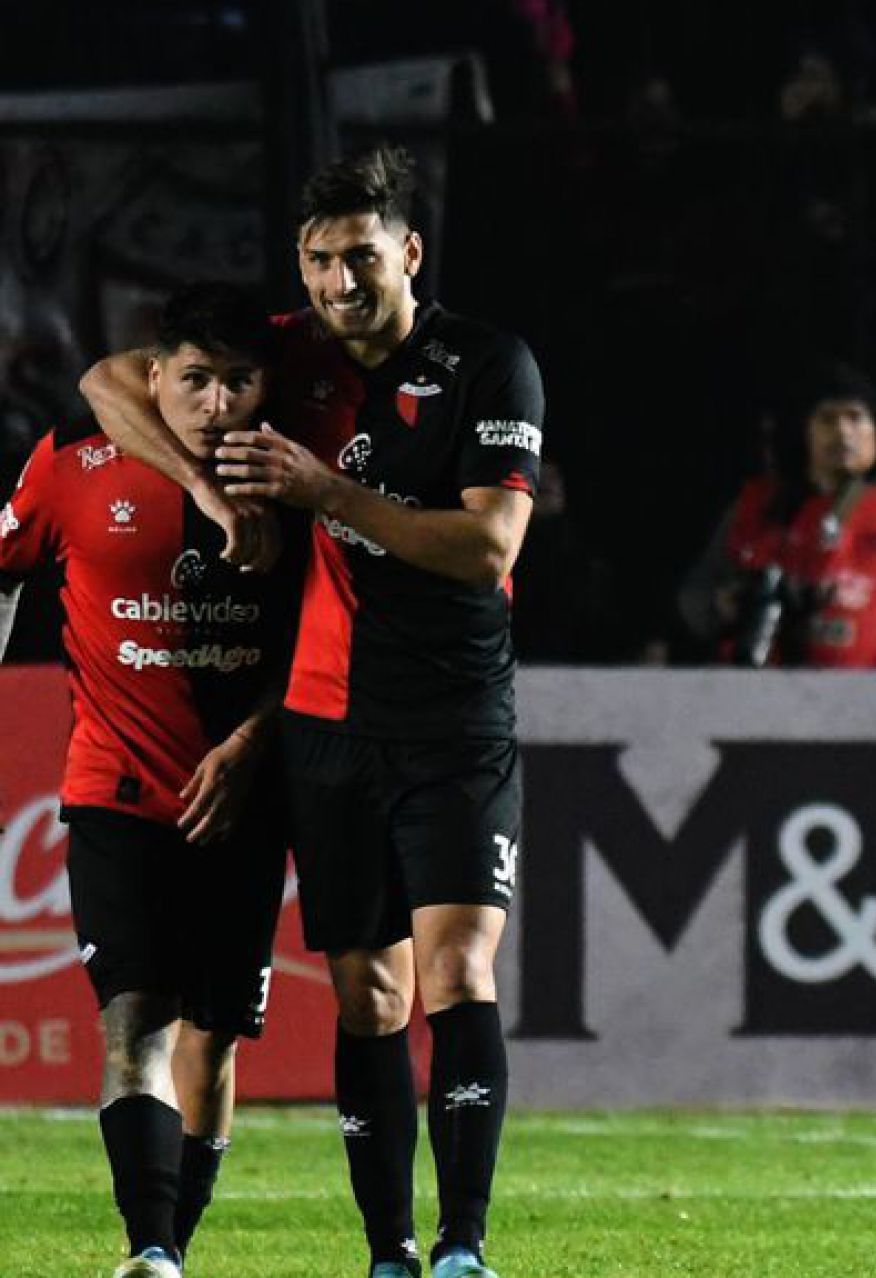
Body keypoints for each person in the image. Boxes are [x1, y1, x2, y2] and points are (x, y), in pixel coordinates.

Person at [81, 147, 542, 1278]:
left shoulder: (486, 364)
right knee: (368, 990)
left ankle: (462, 1244)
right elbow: (107, 381)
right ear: (303, 262)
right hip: (328, 727)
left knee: (456, 968)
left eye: (364, 258)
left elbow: (486, 548)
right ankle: (388, 1248)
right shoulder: (291, 355)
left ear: (410, 255)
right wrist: (202, 489)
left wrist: (324, 491)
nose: (343, 282)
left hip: (452, 717)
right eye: (323, 259)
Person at [1, 283, 296, 1278]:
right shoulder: (75, 464)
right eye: (197, 379)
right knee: (134, 1018)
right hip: (114, 794)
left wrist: (256, 740)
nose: (216, 404)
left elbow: (327, 643)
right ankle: (153, 1249)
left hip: (244, 806)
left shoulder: (293, 481)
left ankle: (178, 1243)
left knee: (214, 1045)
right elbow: (5, 560)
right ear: (156, 374)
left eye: (238, 382)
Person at [678, 368, 876, 667]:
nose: (842, 431)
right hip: (757, 698)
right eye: (827, 418)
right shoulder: (756, 505)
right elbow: (695, 594)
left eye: (855, 417)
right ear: (804, 431)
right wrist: (719, 607)